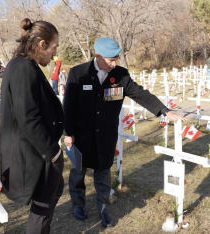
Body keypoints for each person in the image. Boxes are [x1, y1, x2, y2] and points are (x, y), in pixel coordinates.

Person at [63, 37, 185, 228]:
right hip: (81, 136)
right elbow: (68, 106)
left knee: (103, 175)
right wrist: (68, 133)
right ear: (97, 56)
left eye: (116, 59)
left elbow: (140, 94)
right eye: (110, 60)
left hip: (105, 137)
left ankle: (103, 209)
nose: (114, 64)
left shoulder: (120, 75)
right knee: (78, 173)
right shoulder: (78, 73)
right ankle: (78, 205)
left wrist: (164, 111)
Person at [0, 18, 64, 234]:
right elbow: (28, 118)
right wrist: (53, 153)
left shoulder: (23, 65)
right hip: (35, 154)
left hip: (37, 152)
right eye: (53, 47)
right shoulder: (23, 68)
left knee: (54, 192)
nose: (54, 54)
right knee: (41, 213)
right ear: (41, 44)